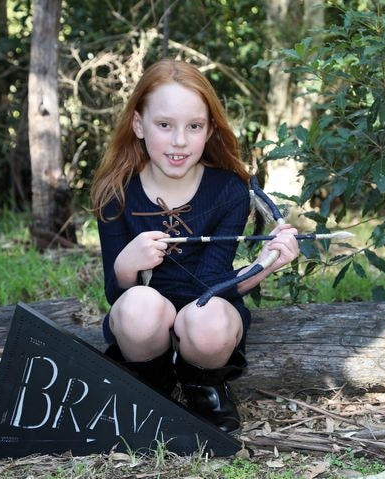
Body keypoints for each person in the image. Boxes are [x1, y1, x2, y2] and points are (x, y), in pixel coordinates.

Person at [90, 59, 299, 434]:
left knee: (208, 320)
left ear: (210, 129)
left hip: (208, 309)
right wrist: (127, 265)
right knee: (140, 308)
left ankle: (202, 384)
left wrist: (267, 263)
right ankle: (151, 382)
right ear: (138, 124)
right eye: (164, 125)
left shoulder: (229, 189)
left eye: (194, 126)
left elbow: (211, 282)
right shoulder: (115, 191)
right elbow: (114, 294)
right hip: (144, 323)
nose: (180, 141)